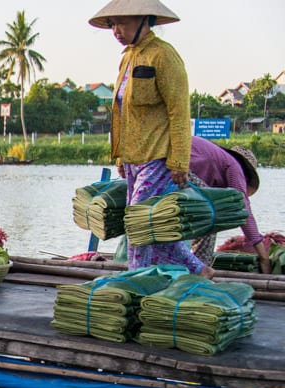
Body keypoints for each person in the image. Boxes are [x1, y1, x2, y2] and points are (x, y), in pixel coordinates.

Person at [90, 0, 213, 278]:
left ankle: (138, 279)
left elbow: (179, 111)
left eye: (122, 22)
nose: (116, 30)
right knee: (154, 223)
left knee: (138, 222)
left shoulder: (164, 56)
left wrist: (179, 162)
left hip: (158, 157)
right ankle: (196, 269)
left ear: (145, 20)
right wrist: (120, 155)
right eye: (112, 24)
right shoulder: (128, 58)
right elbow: (121, 112)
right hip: (134, 158)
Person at [187, 138, 270, 274]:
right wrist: (264, 258)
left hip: (167, 163)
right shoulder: (235, 166)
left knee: (200, 221)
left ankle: (195, 268)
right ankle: (198, 273)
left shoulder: (215, 164)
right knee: (209, 223)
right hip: (176, 164)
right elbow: (243, 210)